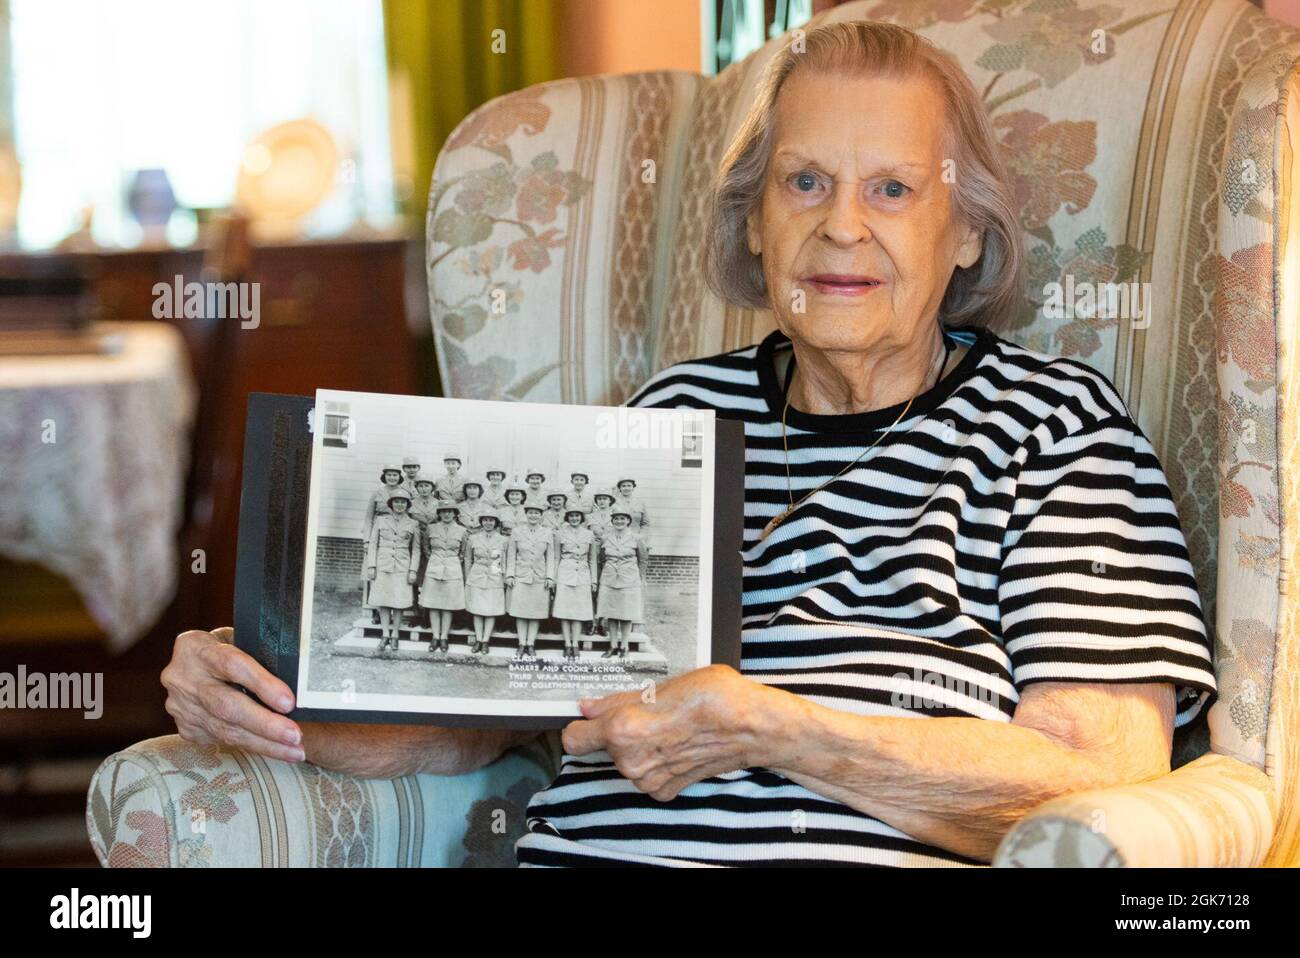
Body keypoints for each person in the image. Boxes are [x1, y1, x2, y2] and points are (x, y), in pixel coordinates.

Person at [162, 21, 1218, 868]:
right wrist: (262, 684)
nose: (841, 225)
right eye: (803, 182)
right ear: (754, 222)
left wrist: (773, 728)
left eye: (892, 189)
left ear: (970, 230)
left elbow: (1095, 783)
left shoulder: (1055, 431)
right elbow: (474, 728)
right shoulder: (667, 421)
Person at [365, 488, 419, 652]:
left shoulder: (413, 523)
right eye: (396, 502)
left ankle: (395, 634)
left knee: (399, 602)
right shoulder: (381, 521)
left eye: (403, 502)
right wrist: (372, 566)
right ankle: (385, 634)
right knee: (383, 601)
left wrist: (413, 570)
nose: (400, 505)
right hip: (383, 565)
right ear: (391, 504)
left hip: (402, 567)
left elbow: (416, 550)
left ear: (407, 505)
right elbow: (373, 544)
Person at [594, 509, 648, 660]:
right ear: (612, 521)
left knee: (626, 613)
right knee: (612, 613)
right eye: (616, 519)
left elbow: (643, 559)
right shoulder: (606, 538)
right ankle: (613, 646)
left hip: (629, 579)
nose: (619, 521)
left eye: (622, 518)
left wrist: (641, 576)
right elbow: (602, 558)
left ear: (628, 521)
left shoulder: (636, 538)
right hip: (609, 578)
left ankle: (624, 646)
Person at [506, 505, 555, 660]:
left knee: (535, 612)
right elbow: (511, 554)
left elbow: (550, 556)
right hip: (521, 576)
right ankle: (521, 643)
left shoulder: (547, 532)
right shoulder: (517, 531)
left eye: (537, 513)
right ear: (526, 514)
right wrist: (510, 574)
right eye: (530, 513)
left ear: (541, 515)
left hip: (539, 577)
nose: (533, 515)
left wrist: (549, 577)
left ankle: (531, 643)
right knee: (520, 612)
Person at [420, 503, 467, 653]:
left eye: (450, 511)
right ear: (439, 514)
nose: (447, 514)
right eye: (443, 512)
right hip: (434, 568)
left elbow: (463, 552)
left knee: (448, 605)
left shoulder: (462, 531)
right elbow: (426, 548)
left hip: (452, 569)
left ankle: (444, 637)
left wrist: (452, 561)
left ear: (455, 514)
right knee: (433, 604)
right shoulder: (431, 528)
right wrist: (436, 559)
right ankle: (435, 636)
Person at [361, 464, 406, 623]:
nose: (392, 477)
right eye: (389, 475)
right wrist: (367, 540)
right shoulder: (377, 493)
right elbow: (368, 517)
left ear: (399, 477)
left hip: (396, 537)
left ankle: (394, 610)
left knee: (394, 577)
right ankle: (377, 610)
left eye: (395, 475)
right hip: (378, 536)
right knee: (375, 574)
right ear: (384, 476)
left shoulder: (404, 493)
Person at [552, 508, 598, 660]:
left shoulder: (589, 534)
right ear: (567, 518)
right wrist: (554, 578)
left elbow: (592, 558)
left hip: (583, 574)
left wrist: (593, 580)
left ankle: (575, 643)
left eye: (577, 516)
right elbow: (556, 557)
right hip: (565, 573)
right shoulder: (560, 534)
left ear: (581, 518)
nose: (574, 518)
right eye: (571, 516)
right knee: (564, 610)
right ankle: (567, 643)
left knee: (578, 611)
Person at [463, 512, 507, 654]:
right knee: (477, 609)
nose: (488, 523)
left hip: (495, 574)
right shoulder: (473, 538)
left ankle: (485, 640)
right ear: (481, 522)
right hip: (477, 575)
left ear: (496, 523)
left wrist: (504, 577)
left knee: (490, 610)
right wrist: (468, 577)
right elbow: (468, 559)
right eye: (485, 520)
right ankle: (478, 639)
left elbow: (504, 560)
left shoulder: (503, 540)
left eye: (491, 520)